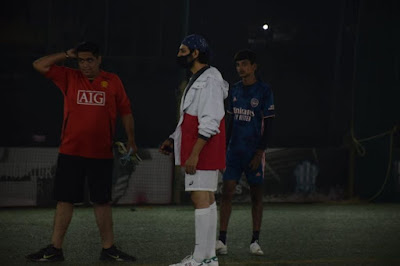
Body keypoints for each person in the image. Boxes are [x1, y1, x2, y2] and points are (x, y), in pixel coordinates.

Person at [26, 41, 137, 262]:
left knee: (102, 201)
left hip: (102, 154)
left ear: (99, 59)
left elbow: (125, 111)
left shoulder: (113, 81)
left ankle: (108, 249)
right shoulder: (69, 76)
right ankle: (55, 249)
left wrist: (132, 139)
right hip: (71, 152)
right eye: (81, 60)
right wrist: (66, 54)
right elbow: (39, 65)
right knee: (65, 200)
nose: (84, 65)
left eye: (89, 60)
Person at [159, 34, 228, 266]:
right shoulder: (200, 78)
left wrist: (195, 152)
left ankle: (200, 258)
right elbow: (188, 119)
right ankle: (208, 258)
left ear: (195, 53)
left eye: (182, 50)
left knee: (200, 199)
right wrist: (172, 139)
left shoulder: (209, 79)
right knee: (207, 199)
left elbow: (210, 120)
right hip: (202, 147)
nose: (179, 55)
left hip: (202, 149)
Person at [216, 49, 275, 256]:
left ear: (253, 66)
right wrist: (223, 149)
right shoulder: (234, 89)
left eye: (244, 64)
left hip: (254, 153)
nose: (240, 68)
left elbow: (269, 126)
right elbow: (230, 122)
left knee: (256, 196)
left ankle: (255, 241)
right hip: (234, 152)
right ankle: (221, 240)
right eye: (238, 65)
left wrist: (259, 152)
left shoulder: (264, 91)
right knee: (227, 192)